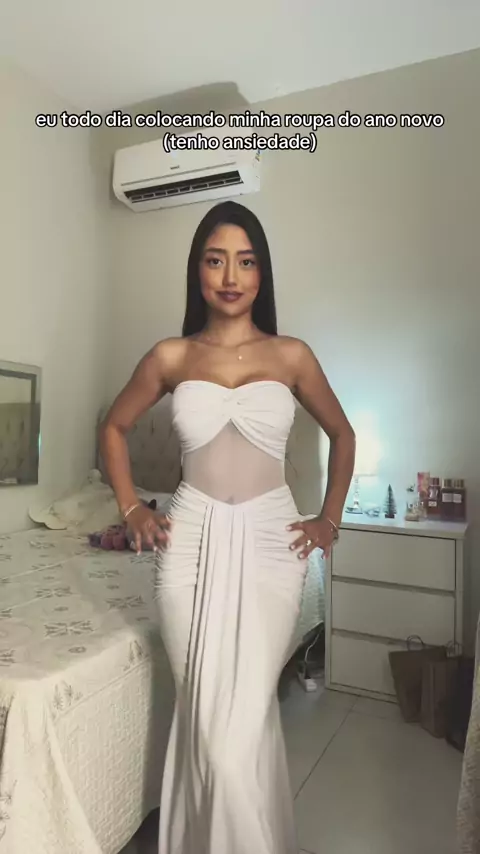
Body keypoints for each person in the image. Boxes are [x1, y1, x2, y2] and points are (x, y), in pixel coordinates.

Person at [100, 200, 356, 854]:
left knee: (239, 726)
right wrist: (132, 508)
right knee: (208, 718)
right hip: (188, 543)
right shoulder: (171, 355)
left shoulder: (292, 355)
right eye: (216, 260)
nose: (231, 276)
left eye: (246, 261)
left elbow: (343, 433)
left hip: (273, 543)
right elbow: (115, 426)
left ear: (262, 273)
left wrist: (328, 519)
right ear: (198, 270)